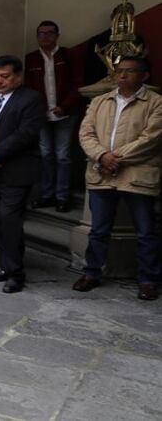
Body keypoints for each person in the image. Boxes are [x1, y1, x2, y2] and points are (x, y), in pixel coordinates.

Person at [74, 56, 162, 301]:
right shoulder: (101, 101)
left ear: (144, 75)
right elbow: (85, 132)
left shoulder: (155, 103)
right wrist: (101, 155)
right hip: (101, 173)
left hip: (137, 175)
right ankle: (91, 272)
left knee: (145, 231)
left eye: (129, 72)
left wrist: (115, 158)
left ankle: (148, 279)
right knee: (98, 230)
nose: (122, 76)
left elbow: (151, 138)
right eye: (119, 71)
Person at [0, 55, 46, 294]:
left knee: (10, 221)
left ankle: (16, 273)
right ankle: (5, 266)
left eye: (4, 77)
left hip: (16, 170)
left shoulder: (31, 99)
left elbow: (25, 135)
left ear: (18, 77)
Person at [24, 21, 80, 212]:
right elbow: (28, 87)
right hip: (41, 116)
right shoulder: (31, 59)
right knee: (45, 154)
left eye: (49, 33)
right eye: (41, 34)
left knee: (62, 155)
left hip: (65, 114)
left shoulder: (69, 55)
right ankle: (47, 194)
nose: (45, 37)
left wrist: (64, 106)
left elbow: (77, 84)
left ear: (57, 35)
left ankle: (62, 196)